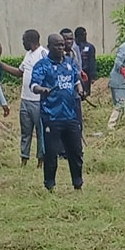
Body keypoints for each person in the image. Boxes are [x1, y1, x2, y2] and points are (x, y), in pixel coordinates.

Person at [32, 33, 88, 191]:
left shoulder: (69, 62)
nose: (61, 48)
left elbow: (76, 81)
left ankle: (78, 183)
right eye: (57, 45)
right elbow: (34, 85)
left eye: (62, 45)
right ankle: (50, 185)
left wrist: (80, 90)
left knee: (76, 152)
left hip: (70, 115)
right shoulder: (42, 65)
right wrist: (42, 89)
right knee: (51, 154)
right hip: (51, 116)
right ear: (49, 46)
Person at [9, 29, 46, 165]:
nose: (22, 43)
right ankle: (24, 158)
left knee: (41, 132)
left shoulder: (43, 54)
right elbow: (20, 72)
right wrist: (0, 64)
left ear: (30, 41)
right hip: (25, 100)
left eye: (24, 40)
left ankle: (41, 160)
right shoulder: (28, 54)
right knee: (25, 132)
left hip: (38, 101)